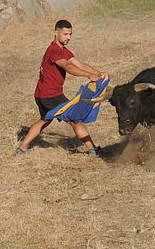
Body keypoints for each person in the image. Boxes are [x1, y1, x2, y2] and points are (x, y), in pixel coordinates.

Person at [16, 20, 106, 156]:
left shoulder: (62, 50)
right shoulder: (54, 51)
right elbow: (69, 67)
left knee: (45, 120)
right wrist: (89, 75)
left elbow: (79, 64)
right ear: (55, 32)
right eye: (65, 34)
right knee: (75, 119)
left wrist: (98, 73)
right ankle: (92, 149)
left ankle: (22, 147)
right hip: (50, 96)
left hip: (42, 94)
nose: (68, 37)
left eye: (70, 34)